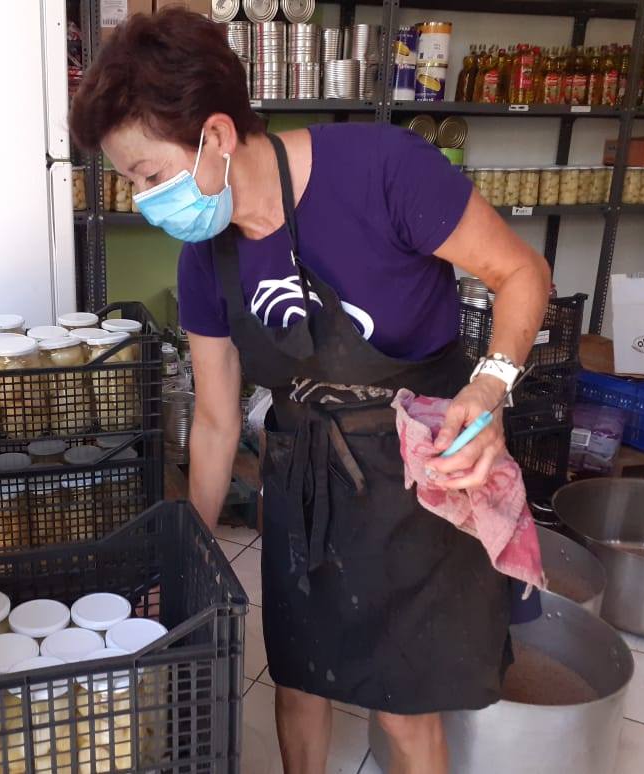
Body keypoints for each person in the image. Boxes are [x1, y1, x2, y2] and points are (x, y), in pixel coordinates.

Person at [69, 10, 550, 774]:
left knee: (403, 706)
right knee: (299, 681)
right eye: (130, 183)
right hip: (302, 475)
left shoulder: (383, 168)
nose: (142, 200)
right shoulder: (207, 258)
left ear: (217, 137)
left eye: (150, 176)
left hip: (420, 466)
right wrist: (190, 554)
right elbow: (219, 420)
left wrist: (492, 387)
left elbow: (521, 272)